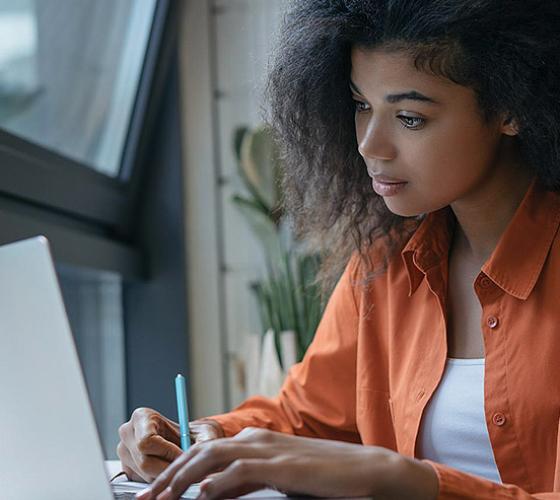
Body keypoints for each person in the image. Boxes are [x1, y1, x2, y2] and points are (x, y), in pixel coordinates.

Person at [117, 1, 560, 498]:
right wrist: (205, 438)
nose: (371, 144)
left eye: (410, 117)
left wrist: (397, 478)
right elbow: (303, 421)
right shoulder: (381, 267)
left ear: (511, 109)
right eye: (360, 105)